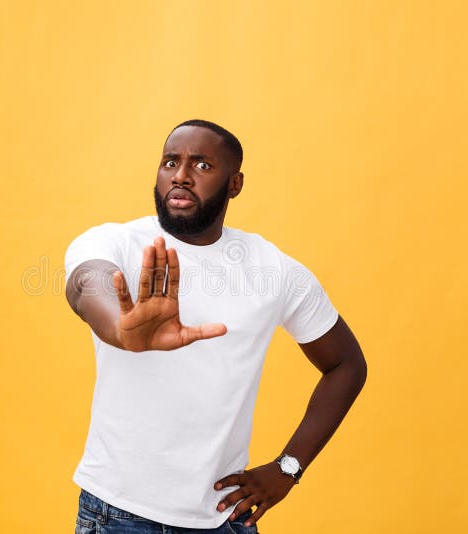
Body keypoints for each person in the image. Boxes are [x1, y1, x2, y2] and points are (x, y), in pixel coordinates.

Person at [64, 119, 367, 533]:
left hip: (226, 518)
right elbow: (86, 283)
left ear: (235, 184)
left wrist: (288, 468)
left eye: (202, 166)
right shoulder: (115, 242)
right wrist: (121, 329)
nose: (181, 176)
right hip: (119, 515)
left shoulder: (274, 269)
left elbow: (347, 365)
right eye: (170, 162)